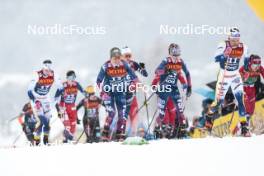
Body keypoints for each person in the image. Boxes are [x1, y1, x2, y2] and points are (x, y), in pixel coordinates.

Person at [212, 27, 250, 136]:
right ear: (229, 38)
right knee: (218, 102)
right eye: (233, 40)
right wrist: (224, 54)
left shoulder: (243, 47)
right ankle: (209, 118)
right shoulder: (223, 45)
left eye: (237, 39)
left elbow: (246, 60)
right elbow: (216, 58)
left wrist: (246, 70)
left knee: (240, 101)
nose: (235, 42)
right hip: (224, 75)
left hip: (235, 76)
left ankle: (244, 128)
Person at [96, 47, 138, 141]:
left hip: (120, 92)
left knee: (122, 114)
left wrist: (132, 84)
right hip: (109, 93)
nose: (117, 60)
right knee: (111, 112)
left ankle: (120, 134)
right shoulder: (105, 66)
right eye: (115, 58)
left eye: (119, 58)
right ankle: (105, 132)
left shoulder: (124, 64)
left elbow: (134, 78)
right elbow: (98, 81)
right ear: (111, 58)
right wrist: (102, 92)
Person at [152, 43, 190, 139]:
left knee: (179, 110)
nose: (176, 58)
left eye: (178, 55)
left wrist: (186, 86)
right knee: (162, 113)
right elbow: (157, 72)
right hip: (164, 89)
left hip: (173, 89)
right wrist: (154, 86)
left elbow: (182, 75)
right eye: (174, 55)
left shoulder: (180, 63)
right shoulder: (166, 61)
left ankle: (180, 129)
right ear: (170, 54)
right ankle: (158, 127)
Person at [28, 59, 62, 145]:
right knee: (41, 120)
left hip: (46, 98)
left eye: (49, 70)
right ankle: (37, 139)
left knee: (47, 121)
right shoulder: (37, 74)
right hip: (36, 98)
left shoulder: (54, 74)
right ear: (43, 68)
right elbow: (29, 90)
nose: (48, 72)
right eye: (46, 70)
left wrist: (55, 99)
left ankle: (46, 139)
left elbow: (60, 88)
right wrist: (35, 101)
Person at [121, 46, 148, 136]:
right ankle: (120, 134)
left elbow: (145, 74)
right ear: (122, 56)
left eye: (129, 56)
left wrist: (143, 68)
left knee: (134, 114)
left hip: (132, 95)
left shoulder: (133, 64)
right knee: (123, 117)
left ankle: (134, 134)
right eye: (126, 56)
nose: (128, 58)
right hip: (122, 96)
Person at [55, 70, 85, 143]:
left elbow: (85, 93)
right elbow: (55, 99)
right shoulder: (62, 85)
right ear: (67, 77)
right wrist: (58, 110)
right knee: (67, 126)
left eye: (74, 77)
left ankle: (67, 141)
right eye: (71, 77)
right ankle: (66, 139)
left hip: (72, 107)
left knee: (73, 127)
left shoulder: (76, 84)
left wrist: (90, 95)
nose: (73, 79)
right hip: (63, 108)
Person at [239, 54, 264, 122]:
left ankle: (244, 125)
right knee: (247, 106)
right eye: (255, 64)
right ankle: (244, 124)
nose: (257, 66)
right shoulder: (244, 68)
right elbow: (236, 80)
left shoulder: (260, 68)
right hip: (243, 88)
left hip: (252, 89)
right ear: (250, 63)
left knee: (251, 110)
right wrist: (243, 77)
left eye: (259, 63)